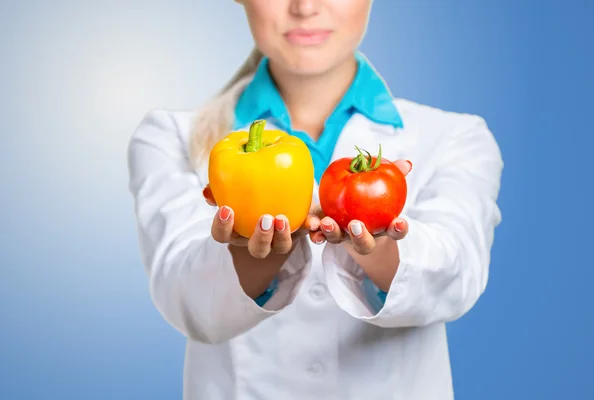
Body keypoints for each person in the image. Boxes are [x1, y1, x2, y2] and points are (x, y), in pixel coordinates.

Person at [126, 0, 503, 399]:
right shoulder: (170, 138)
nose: (305, 7)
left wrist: (382, 251)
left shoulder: (456, 138)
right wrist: (256, 259)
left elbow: (457, 278)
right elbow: (185, 302)